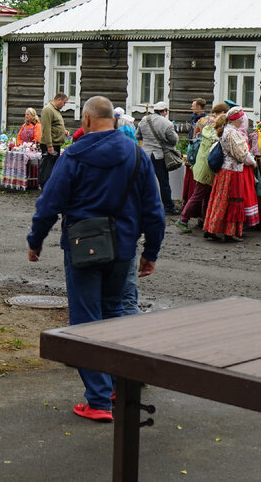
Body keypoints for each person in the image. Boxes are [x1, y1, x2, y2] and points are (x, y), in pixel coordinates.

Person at [27, 95, 164, 423]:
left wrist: (36, 240)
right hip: (124, 249)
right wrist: (151, 252)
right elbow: (154, 210)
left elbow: (50, 202)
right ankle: (116, 386)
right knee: (114, 313)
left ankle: (99, 400)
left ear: (86, 121)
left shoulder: (75, 154)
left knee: (86, 319)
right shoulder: (135, 154)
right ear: (113, 120)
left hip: (83, 247)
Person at [203, 106, 260, 242]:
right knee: (233, 201)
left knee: (220, 200)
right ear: (238, 120)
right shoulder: (233, 134)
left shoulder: (226, 131)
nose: (243, 121)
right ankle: (229, 233)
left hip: (224, 171)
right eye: (242, 119)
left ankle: (212, 228)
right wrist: (252, 162)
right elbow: (241, 156)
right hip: (232, 172)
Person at [176, 102, 228, 233]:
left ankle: (204, 220)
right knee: (198, 195)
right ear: (222, 113)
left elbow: (193, 138)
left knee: (206, 195)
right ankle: (183, 219)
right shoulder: (216, 126)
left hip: (201, 162)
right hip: (207, 165)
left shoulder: (202, 121)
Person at [137, 101, 179, 218]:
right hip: (158, 156)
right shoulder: (167, 123)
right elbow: (174, 140)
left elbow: (137, 136)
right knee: (163, 182)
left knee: (144, 181)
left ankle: (141, 204)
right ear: (164, 111)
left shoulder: (144, 120)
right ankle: (168, 206)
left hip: (145, 154)